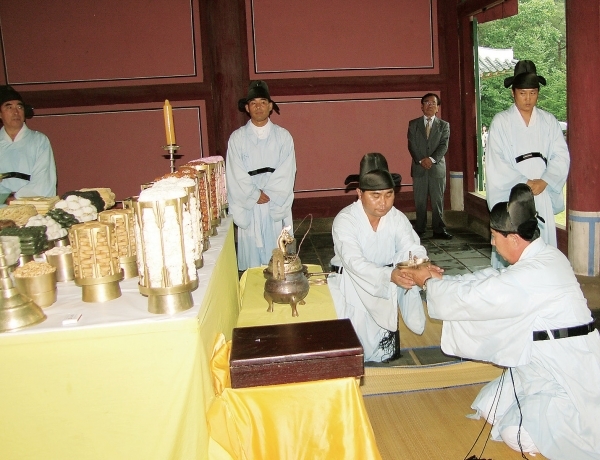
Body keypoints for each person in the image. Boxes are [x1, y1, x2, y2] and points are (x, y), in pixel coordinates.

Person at [403, 183, 600, 459]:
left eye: (495, 236)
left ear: (515, 238)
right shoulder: (543, 257)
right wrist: (440, 281)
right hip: (542, 361)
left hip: (567, 368)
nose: (492, 242)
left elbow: (481, 296)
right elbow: (490, 280)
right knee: (490, 408)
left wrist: (428, 284)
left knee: (514, 433)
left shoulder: (535, 271)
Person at [328, 153, 442, 362]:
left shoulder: (395, 217)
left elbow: (411, 247)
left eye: (389, 194)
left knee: (383, 349)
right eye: (376, 195)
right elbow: (354, 262)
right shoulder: (345, 220)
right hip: (351, 284)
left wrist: (421, 266)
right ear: (359, 193)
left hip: (385, 283)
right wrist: (390, 274)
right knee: (355, 342)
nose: (384, 203)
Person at [485, 60, 570, 268]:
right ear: (513, 93)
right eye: (523, 93)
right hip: (513, 192)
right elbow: (497, 161)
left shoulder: (549, 121)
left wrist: (546, 180)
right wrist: (524, 183)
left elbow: (561, 154)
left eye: (533, 93)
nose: (528, 98)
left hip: (540, 190)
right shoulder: (501, 121)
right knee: (512, 242)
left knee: (542, 244)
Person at [225, 80, 296, 271]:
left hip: (275, 200)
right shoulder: (237, 138)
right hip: (250, 203)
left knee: (279, 252)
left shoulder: (283, 137)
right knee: (253, 263)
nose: (258, 107)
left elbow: (287, 170)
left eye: (263, 102)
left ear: (270, 106)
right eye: (254, 103)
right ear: (247, 108)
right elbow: (234, 172)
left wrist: (270, 192)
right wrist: (254, 194)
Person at [0, 85, 57, 206]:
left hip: (32, 206)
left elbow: (44, 181)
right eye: (9, 107)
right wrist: (4, 197)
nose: (15, 112)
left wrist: (16, 198)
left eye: (19, 107)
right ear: (0, 114)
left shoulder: (39, 140)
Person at [407, 93, 452, 239]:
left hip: (436, 168)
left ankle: (439, 229)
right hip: (419, 167)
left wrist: (431, 159)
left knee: (437, 200)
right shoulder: (413, 124)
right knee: (419, 200)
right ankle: (419, 229)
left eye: (433, 103)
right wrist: (421, 160)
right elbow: (412, 145)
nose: (430, 105)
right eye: (426, 102)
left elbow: (443, 145)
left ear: (438, 107)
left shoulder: (444, 125)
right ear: (421, 106)